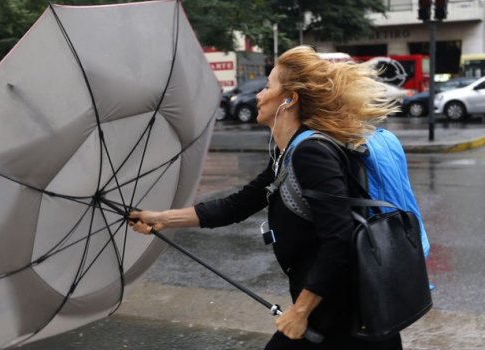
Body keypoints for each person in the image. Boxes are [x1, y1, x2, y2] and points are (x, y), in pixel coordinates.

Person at [129, 45, 402, 350]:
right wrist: (162, 219)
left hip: (344, 318)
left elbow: (340, 238)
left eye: (267, 86)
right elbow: (237, 205)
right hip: (330, 312)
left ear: (289, 99)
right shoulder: (290, 154)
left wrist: (300, 311)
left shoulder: (311, 154)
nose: (258, 95)